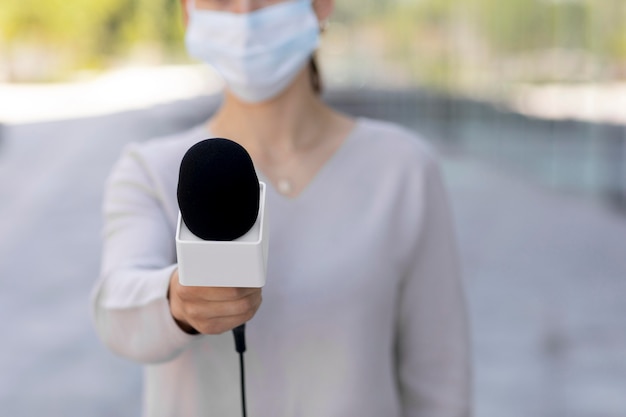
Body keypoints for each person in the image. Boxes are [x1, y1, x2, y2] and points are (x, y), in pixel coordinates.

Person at [91, 0, 472, 416]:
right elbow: (117, 312)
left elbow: (440, 379)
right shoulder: (151, 170)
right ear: (188, 12)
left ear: (320, 5)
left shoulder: (404, 169)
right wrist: (177, 302)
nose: (244, 12)